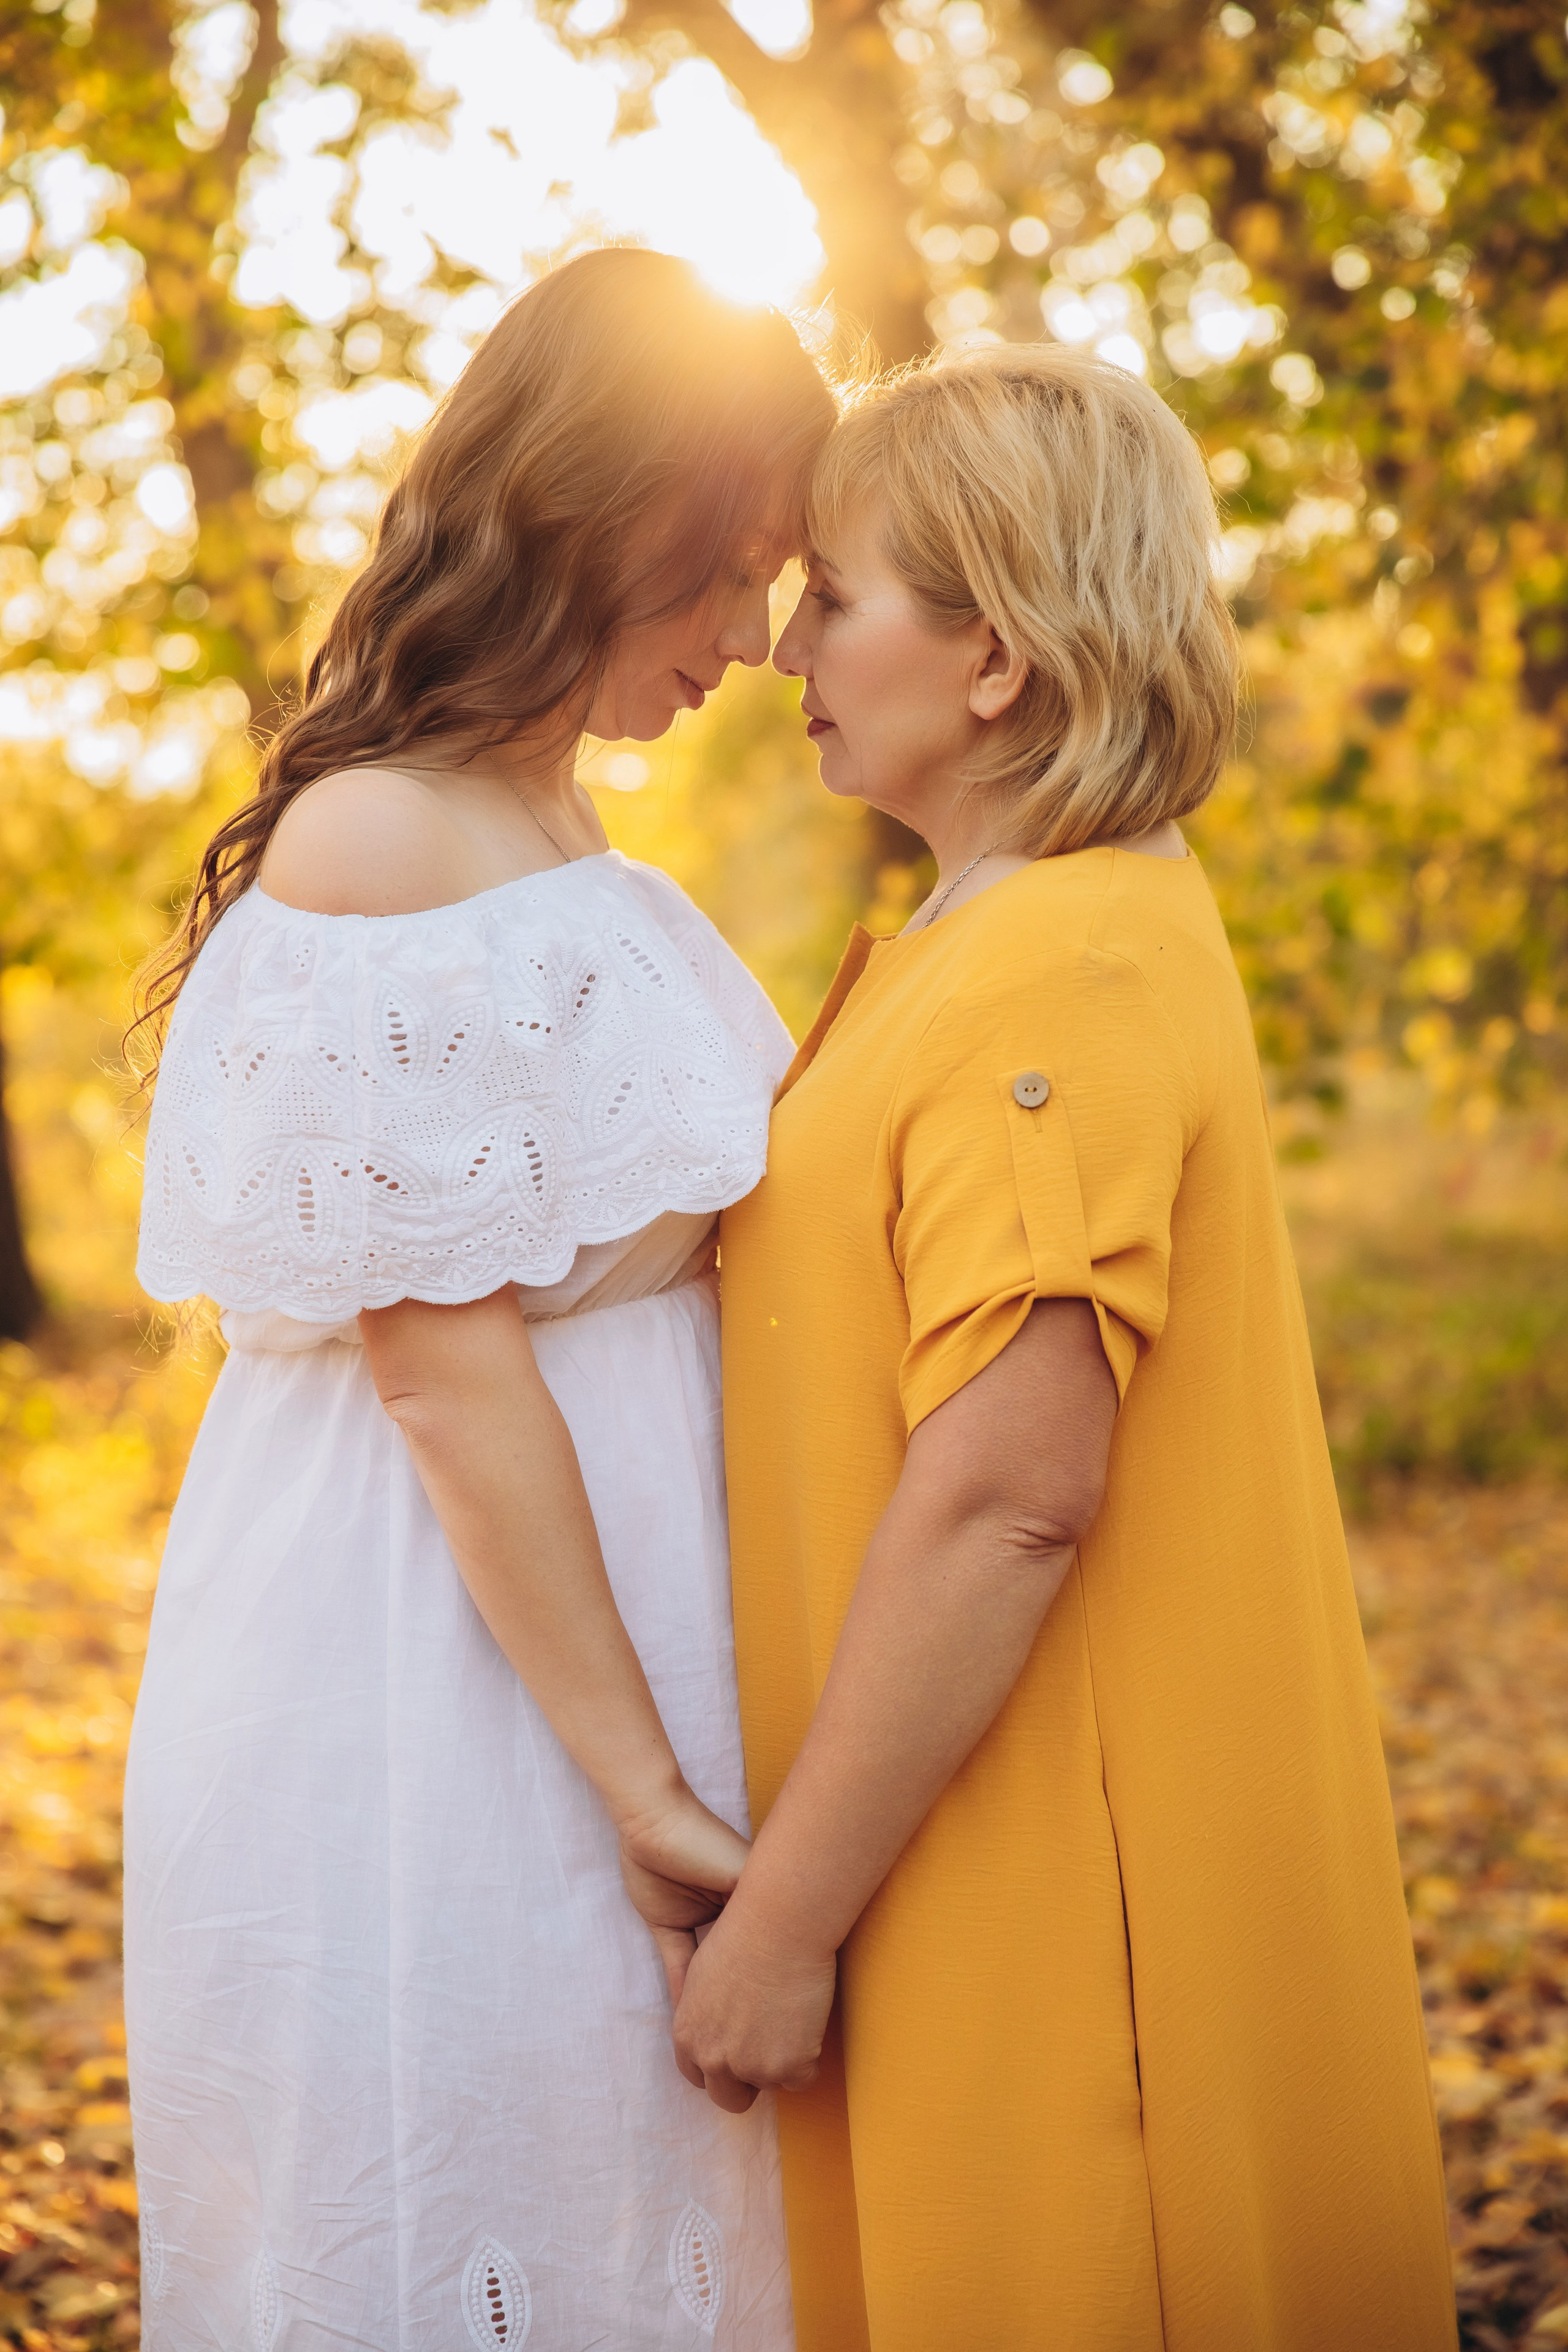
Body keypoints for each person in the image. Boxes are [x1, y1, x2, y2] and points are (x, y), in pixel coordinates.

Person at [679, 345, 1457, 2351]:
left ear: (998, 657)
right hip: (972, 1842)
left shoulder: (1058, 965)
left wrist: (782, 1924)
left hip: (1051, 1891)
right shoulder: (1018, 929)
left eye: (834, 594)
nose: (785, 649)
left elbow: (1010, 1501)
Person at [125, 246, 832, 2348]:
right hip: (449, 1681)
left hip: (601, 1645)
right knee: (475, 2186)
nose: (749, 639)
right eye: (726, 575)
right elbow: (445, 1381)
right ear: (599, 517)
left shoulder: (552, 830)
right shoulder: (379, 846)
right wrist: (646, 1797)